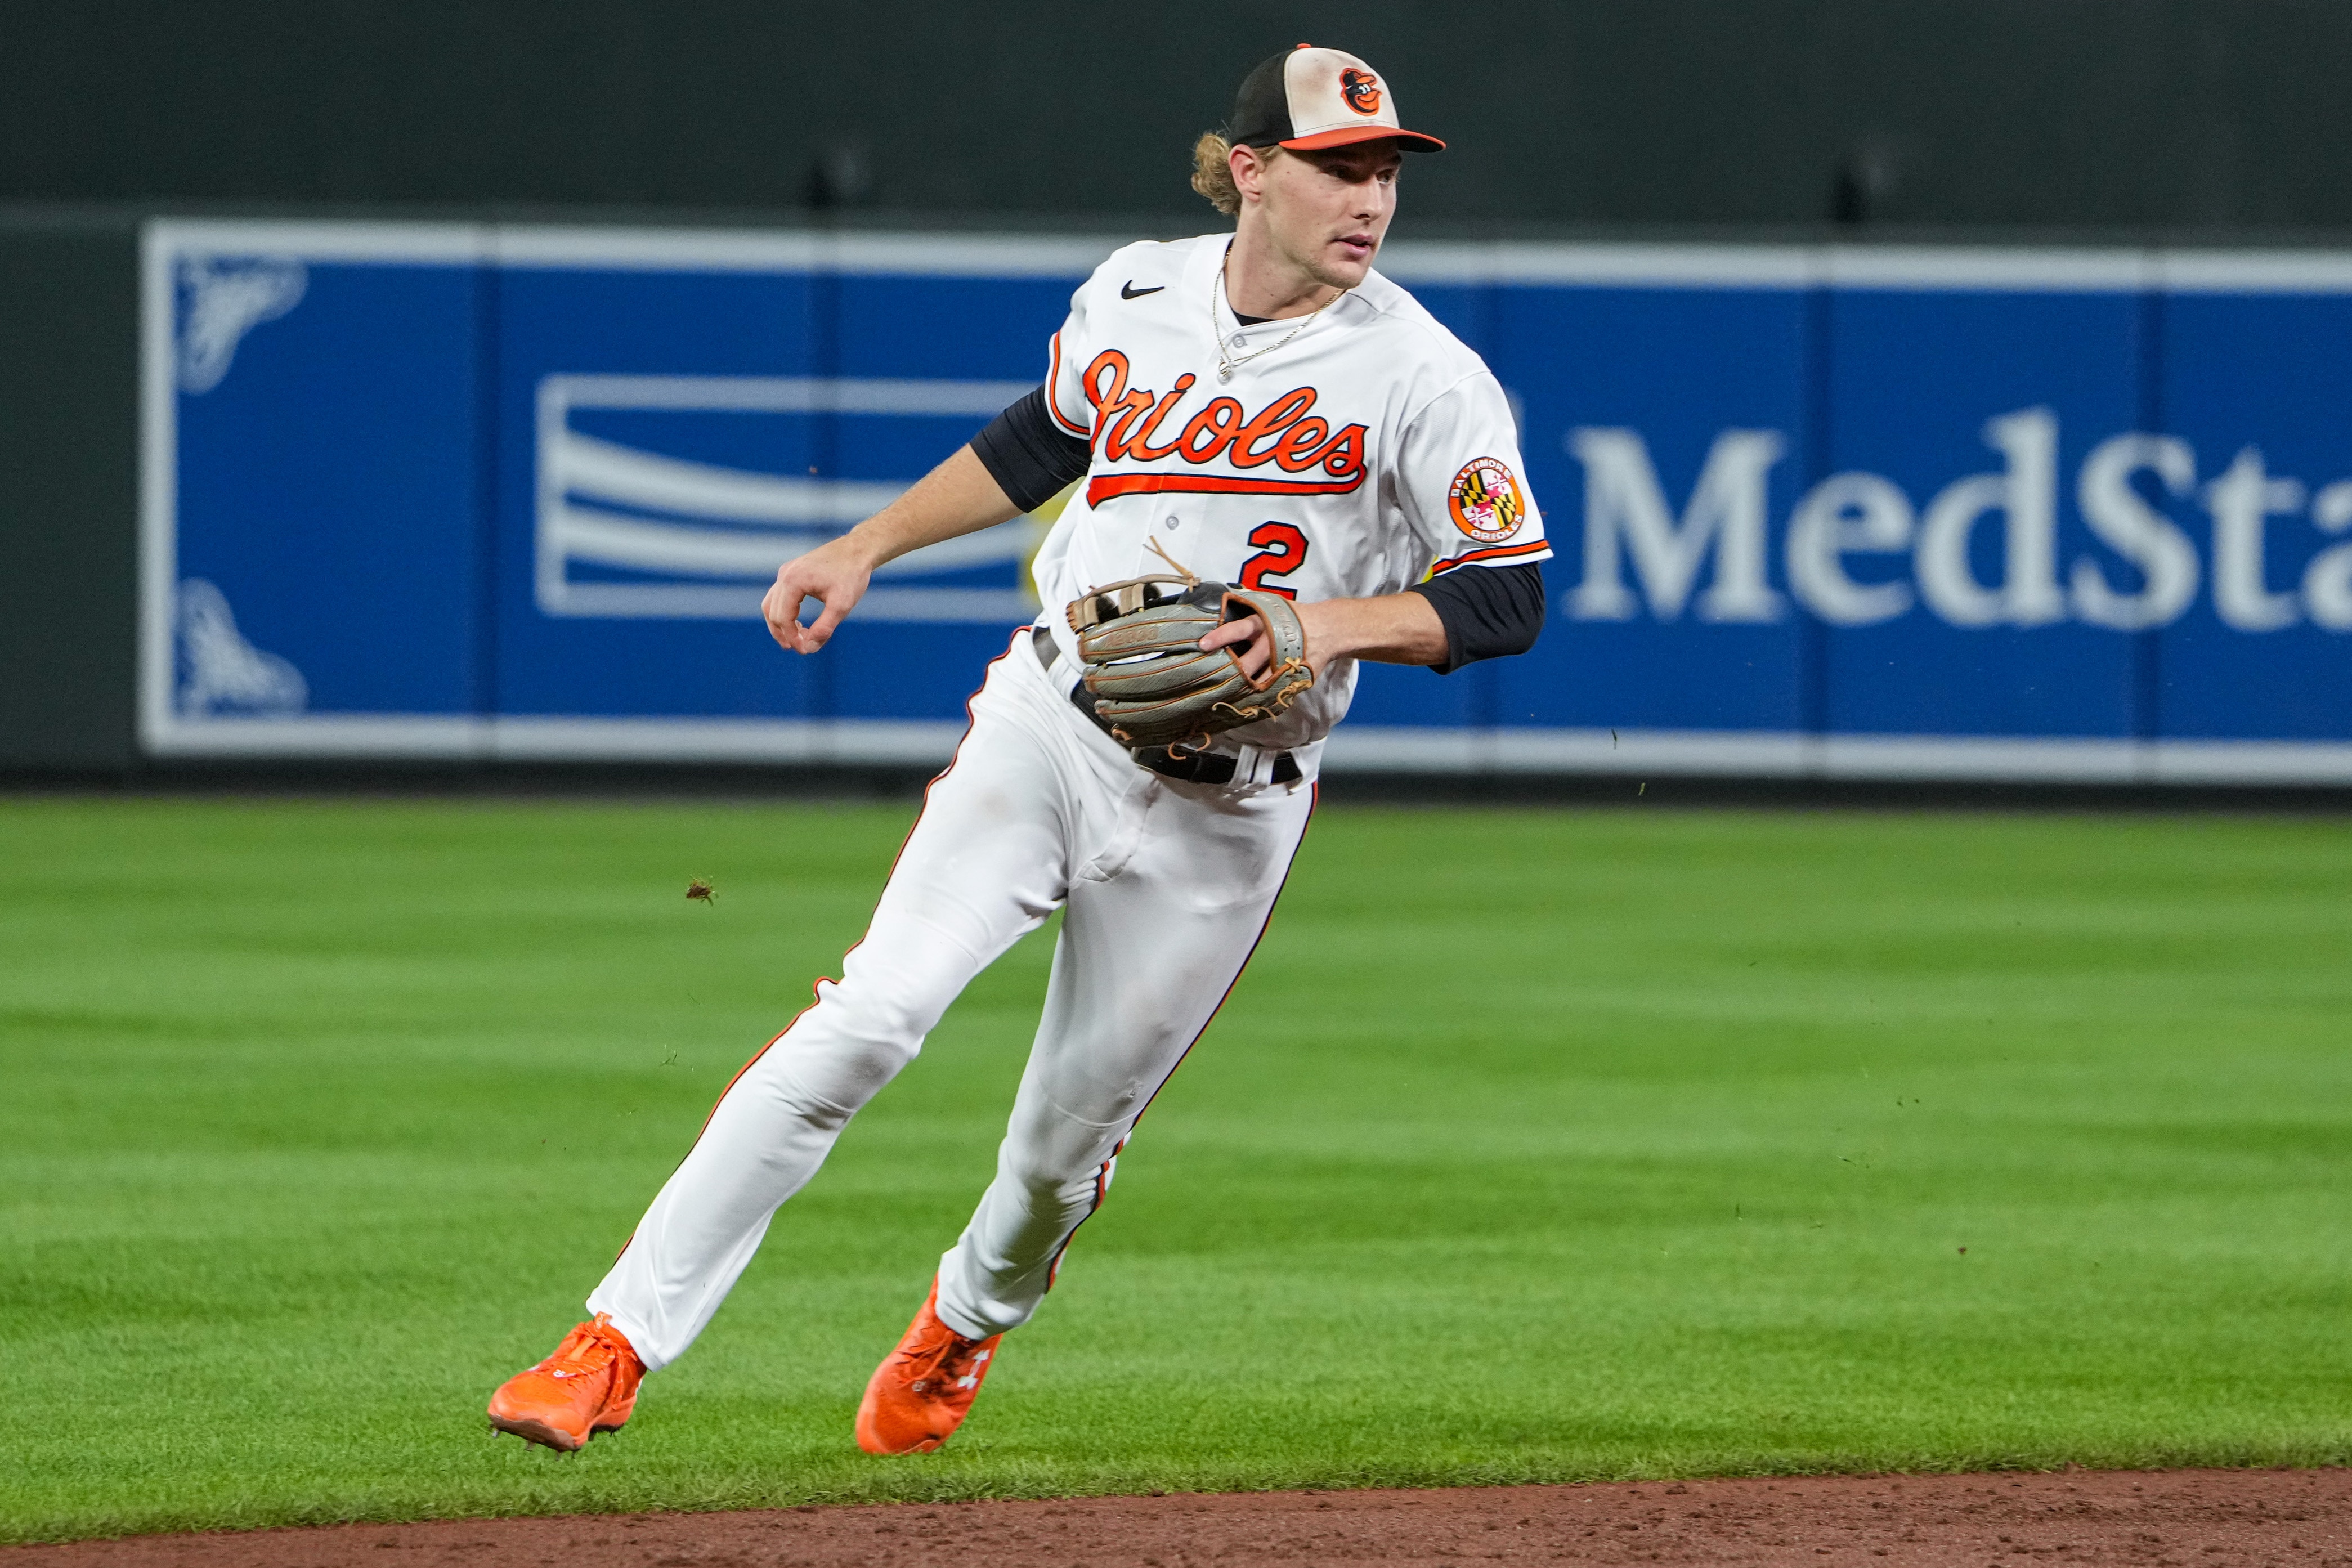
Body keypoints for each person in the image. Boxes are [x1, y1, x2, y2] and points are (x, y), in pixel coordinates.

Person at [486, 42, 1551, 1457]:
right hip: (1051, 724)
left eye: (1383, 173)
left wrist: (1325, 627)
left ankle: (960, 1325)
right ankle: (613, 1340)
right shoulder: (1134, 289)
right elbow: (1039, 440)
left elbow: (1504, 595)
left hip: (1226, 811)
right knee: (868, 1016)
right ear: (1251, 173)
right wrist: (865, 542)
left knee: (1056, 1158)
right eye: (1337, 167)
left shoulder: (1426, 374)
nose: (1369, 198)